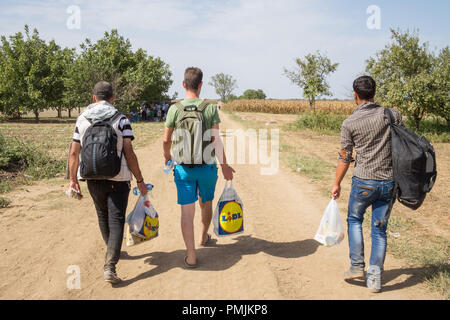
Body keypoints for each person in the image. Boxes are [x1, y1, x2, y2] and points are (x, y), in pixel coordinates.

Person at [68, 81, 149, 284]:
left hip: (91, 176)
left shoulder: (82, 119)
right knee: (117, 219)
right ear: (112, 98)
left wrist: (72, 180)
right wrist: (139, 179)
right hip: (118, 177)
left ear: (93, 97)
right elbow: (129, 153)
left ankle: (111, 253)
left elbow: (74, 152)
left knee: (102, 215)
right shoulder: (121, 119)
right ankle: (110, 265)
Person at [331, 76, 403, 293]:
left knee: (354, 219)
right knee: (379, 231)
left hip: (363, 181)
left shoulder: (349, 123)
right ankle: (374, 279)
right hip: (389, 183)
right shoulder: (392, 115)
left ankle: (356, 266)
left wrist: (336, 183)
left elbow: (345, 157)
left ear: (355, 95)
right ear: (374, 93)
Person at [163, 67, 235, 268]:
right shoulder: (210, 108)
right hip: (207, 168)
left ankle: (192, 256)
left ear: (183, 84)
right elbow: (216, 140)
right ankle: (204, 237)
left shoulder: (174, 109)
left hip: (183, 169)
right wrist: (226, 165)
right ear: (201, 85)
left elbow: (166, 139)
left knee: (187, 212)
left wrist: (167, 157)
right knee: (206, 202)